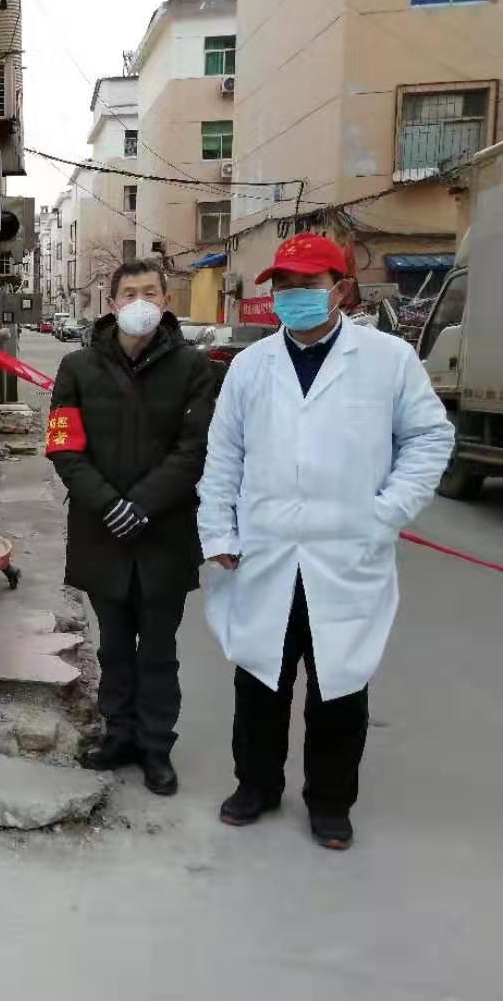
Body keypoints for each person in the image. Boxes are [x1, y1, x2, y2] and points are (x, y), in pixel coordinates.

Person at [198, 233, 453, 850]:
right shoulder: (251, 366)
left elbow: (429, 438)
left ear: (341, 290)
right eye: (283, 286)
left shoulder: (388, 359)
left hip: (346, 552)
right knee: (260, 677)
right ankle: (256, 785)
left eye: (307, 286)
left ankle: (331, 802)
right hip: (264, 551)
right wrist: (219, 531)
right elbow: (224, 455)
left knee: (339, 682)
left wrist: (387, 512)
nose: (293, 296)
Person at [45, 261, 215, 795]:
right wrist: (108, 504)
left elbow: (194, 449)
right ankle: (119, 734)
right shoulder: (77, 367)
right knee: (113, 646)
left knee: (158, 651)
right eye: (129, 293)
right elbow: (64, 446)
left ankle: (156, 746)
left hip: (165, 533)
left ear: (166, 301)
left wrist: (141, 504)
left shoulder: (194, 368)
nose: (139, 301)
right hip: (102, 532)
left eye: (150, 292)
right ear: (112, 302)